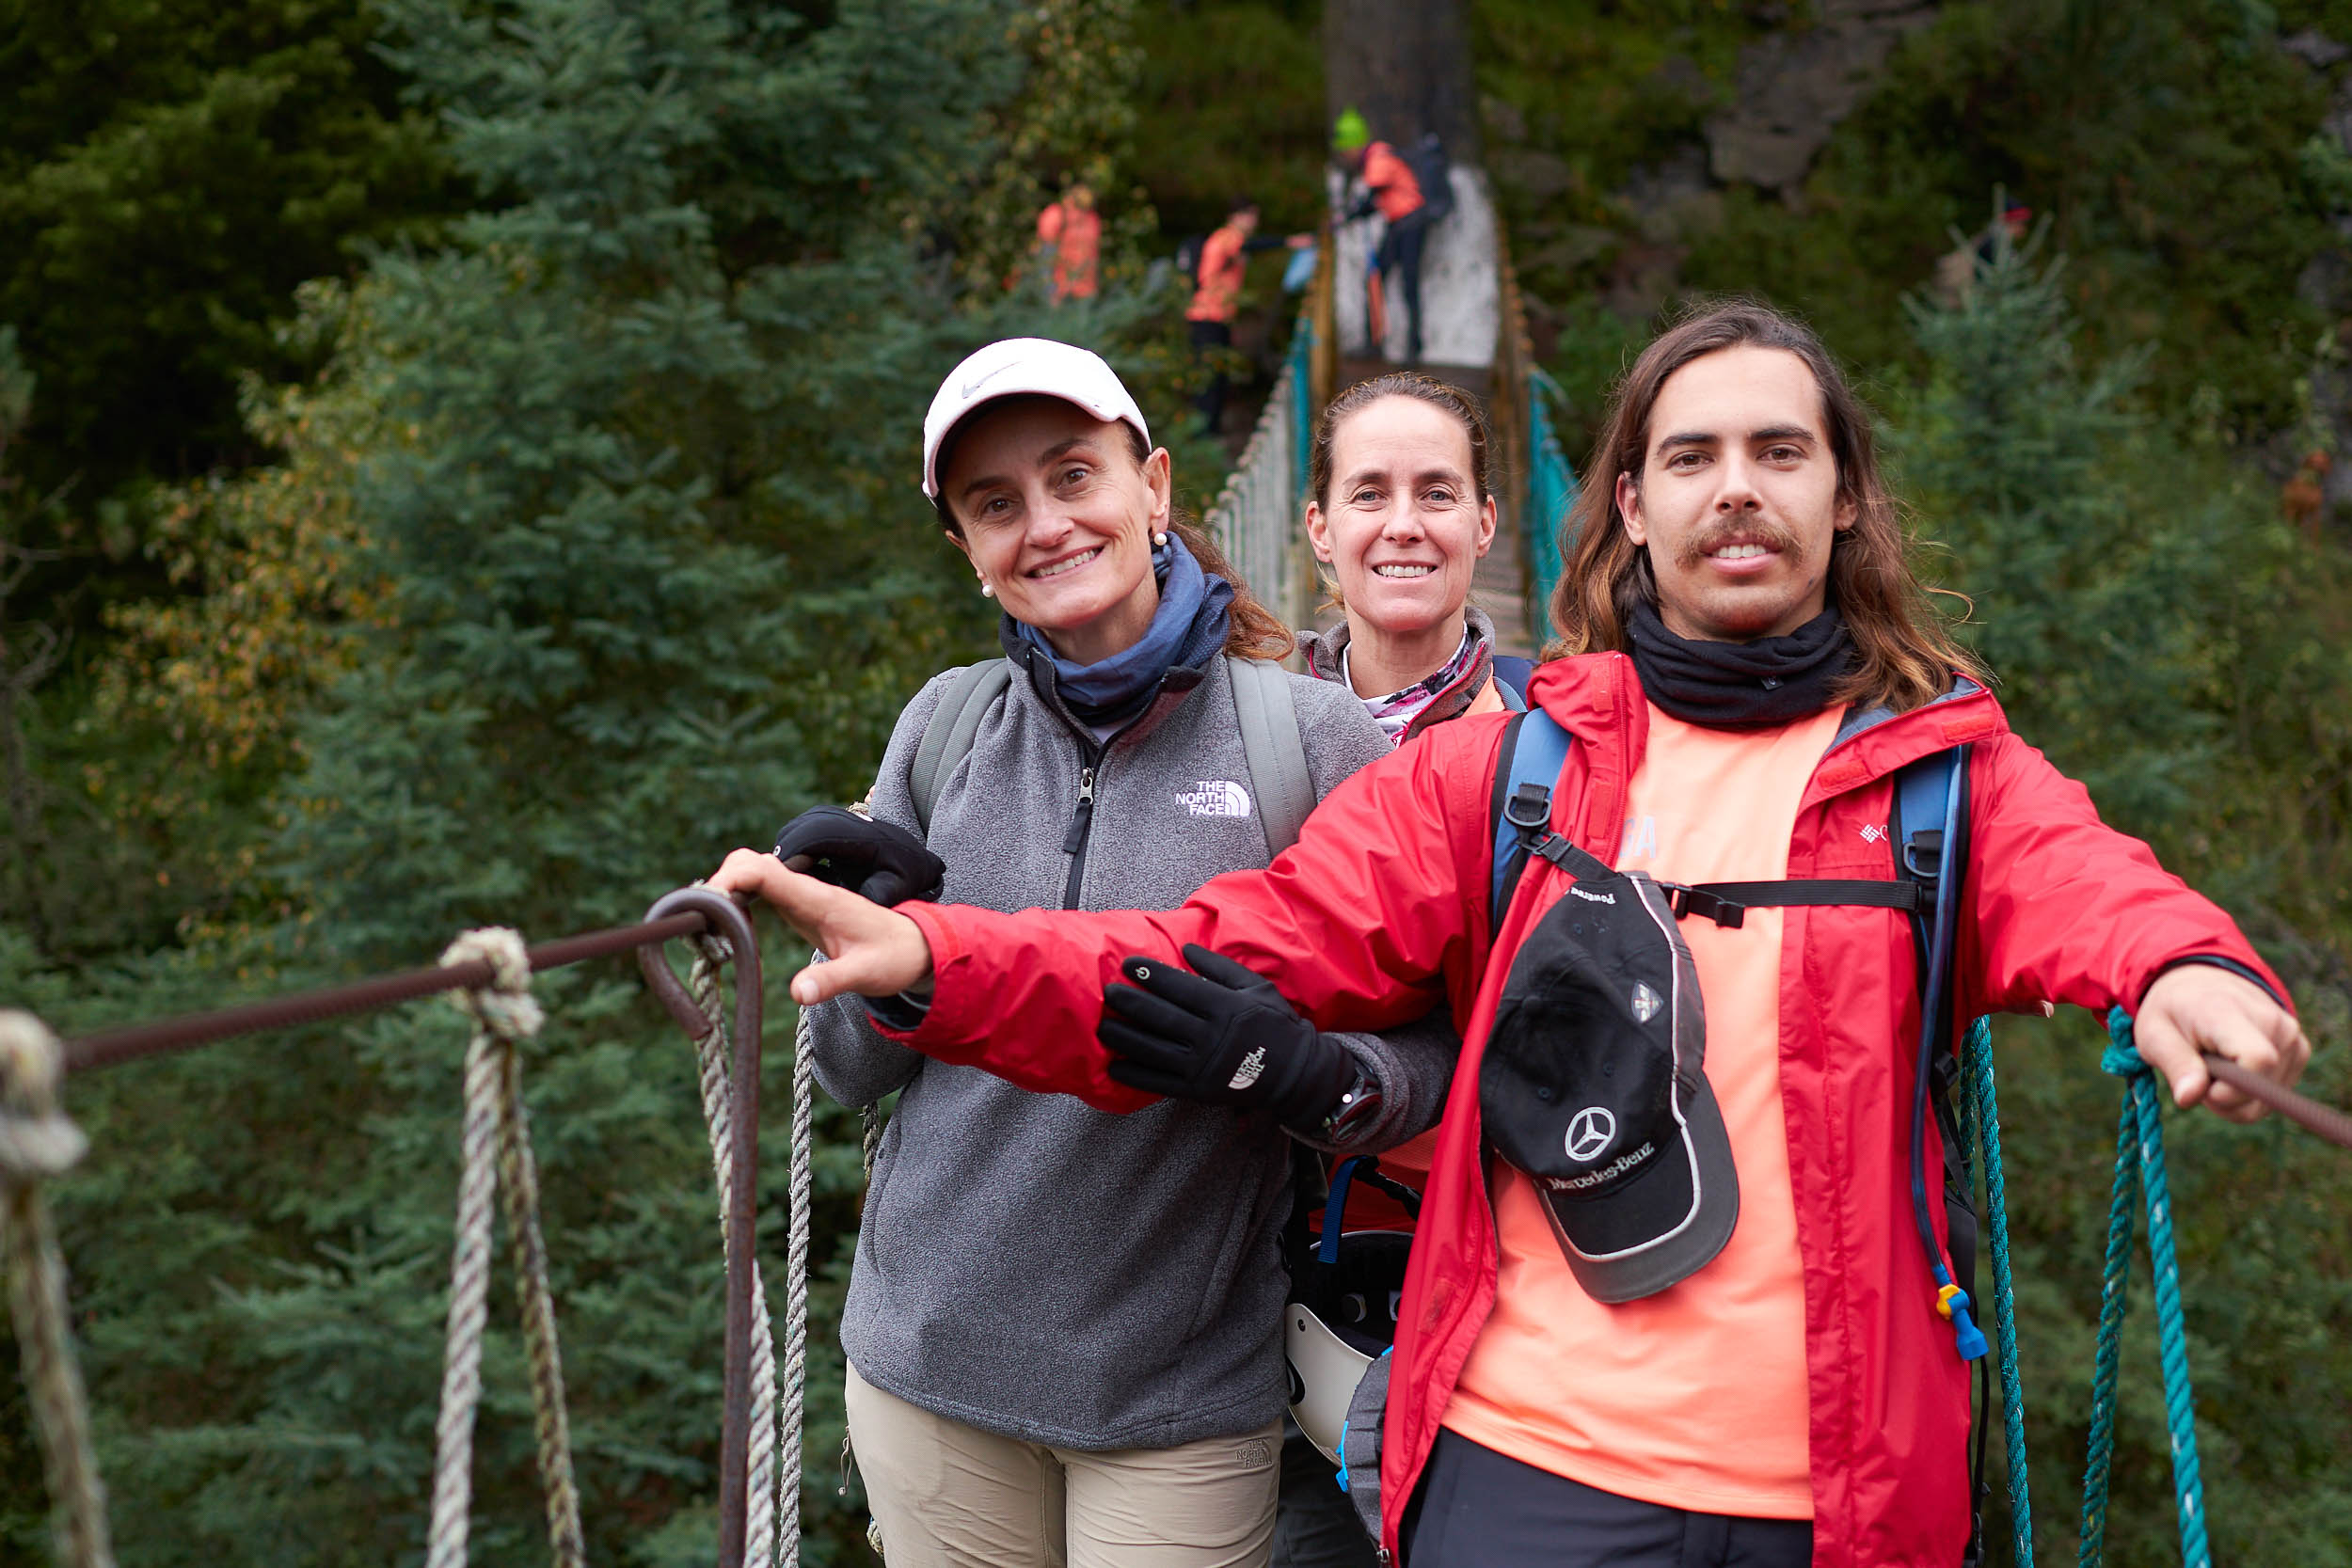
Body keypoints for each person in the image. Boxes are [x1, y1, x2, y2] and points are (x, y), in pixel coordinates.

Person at [713, 301, 2312, 1568]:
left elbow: (2090, 885)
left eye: (1778, 449)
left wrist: (2186, 967)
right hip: (1531, 1464)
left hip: (1839, 1483)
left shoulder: (1940, 782)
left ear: (1845, 499)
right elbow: (1229, 940)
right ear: (1628, 504)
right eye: (1690, 455)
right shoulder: (1509, 775)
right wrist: (939, 961)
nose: (1735, 486)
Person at [765, 336, 1452, 1568]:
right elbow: (848, 1070)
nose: (1045, 524)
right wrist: (888, 953)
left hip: (1179, 1401)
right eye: (995, 504)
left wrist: (1306, 1071)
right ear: (968, 549)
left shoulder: (1312, 739)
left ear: (1156, 487)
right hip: (926, 1377)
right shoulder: (943, 728)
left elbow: (1435, 1047)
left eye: (1073, 474)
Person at [1273, 372, 1519, 1568]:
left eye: (1437, 491)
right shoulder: (1234, 729)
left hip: (1489, 1277)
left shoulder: (1559, 745)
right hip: (1251, 1271)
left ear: (1485, 522)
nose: (1403, 523)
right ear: (1318, 528)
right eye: (1368, 493)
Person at [1186, 198, 1311, 435]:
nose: (1253, 221)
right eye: (1248, 215)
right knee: (1210, 379)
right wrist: (1289, 241)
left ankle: (1211, 432)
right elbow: (1250, 246)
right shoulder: (1227, 238)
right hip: (1207, 317)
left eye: (1254, 216)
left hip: (1219, 317)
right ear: (1234, 217)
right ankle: (1204, 434)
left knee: (1219, 378)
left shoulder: (1229, 239)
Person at [1333, 113, 1431, 364]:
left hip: (1409, 223)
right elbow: (1376, 200)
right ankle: (1375, 343)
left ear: (1355, 146)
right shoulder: (1377, 157)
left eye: (1345, 150)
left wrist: (1346, 218)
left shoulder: (1378, 158)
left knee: (1408, 283)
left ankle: (1413, 347)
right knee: (1375, 277)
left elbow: (1371, 198)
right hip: (1398, 223)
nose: (1345, 156)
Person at [1035, 181, 1102, 304]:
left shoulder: (1092, 218)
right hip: (1060, 290)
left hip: (1086, 290)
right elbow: (1045, 255)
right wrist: (1049, 290)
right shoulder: (1056, 215)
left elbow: (1093, 254)